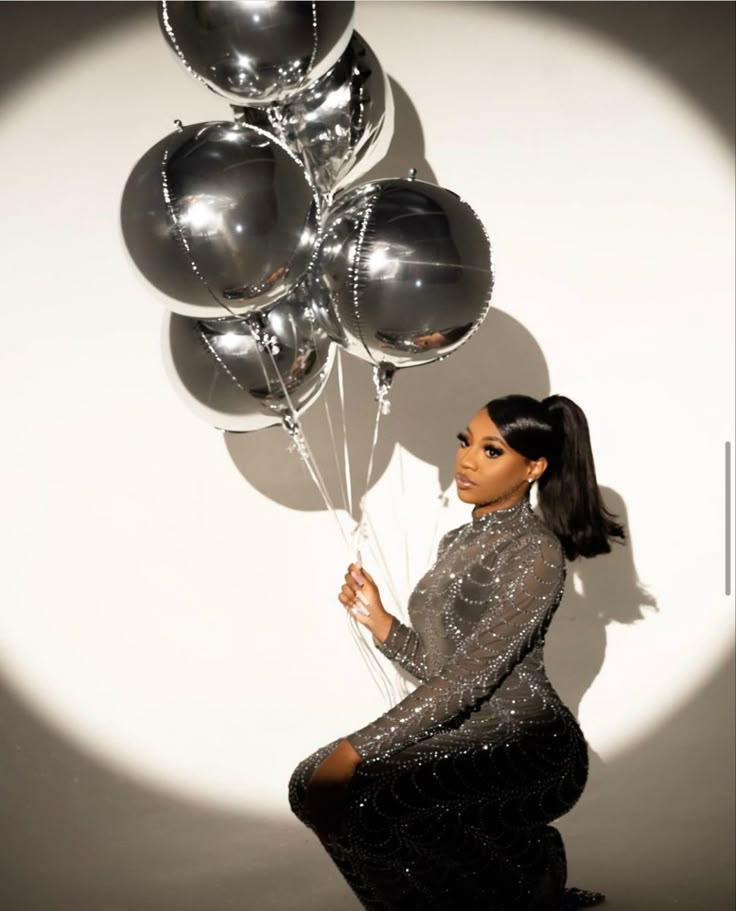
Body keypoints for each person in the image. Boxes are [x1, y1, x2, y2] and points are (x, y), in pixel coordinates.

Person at [289, 394, 625, 910]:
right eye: (466, 443)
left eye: (492, 452)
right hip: (465, 732)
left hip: (531, 748)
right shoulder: (454, 541)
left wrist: (353, 748)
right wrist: (379, 620)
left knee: (369, 797)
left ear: (533, 467)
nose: (466, 461)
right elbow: (441, 666)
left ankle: (524, 875)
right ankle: (522, 874)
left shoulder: (535, 550)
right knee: (310, 784)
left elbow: (469, 680)